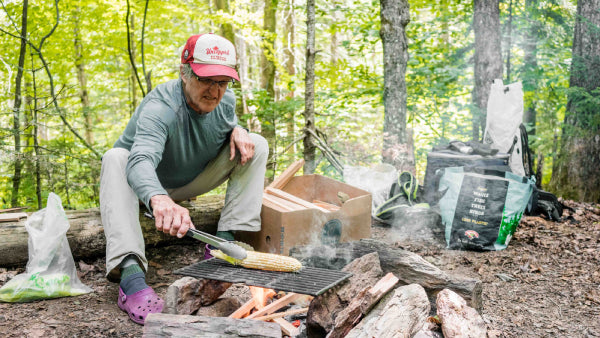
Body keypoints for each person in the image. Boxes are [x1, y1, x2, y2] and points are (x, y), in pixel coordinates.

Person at [99, 33, 268, 325]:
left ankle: (222, 247)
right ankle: (130, 277)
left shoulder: (225, 98)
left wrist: (237, 129)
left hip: (188, 183)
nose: (215, 91)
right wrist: (159, 197)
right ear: (183, 72)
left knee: (257, 143)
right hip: (139, 187)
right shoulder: (160, 107)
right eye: (206, 80)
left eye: (222, 82)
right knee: (115, 157)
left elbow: (224, 119)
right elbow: (139, 161)